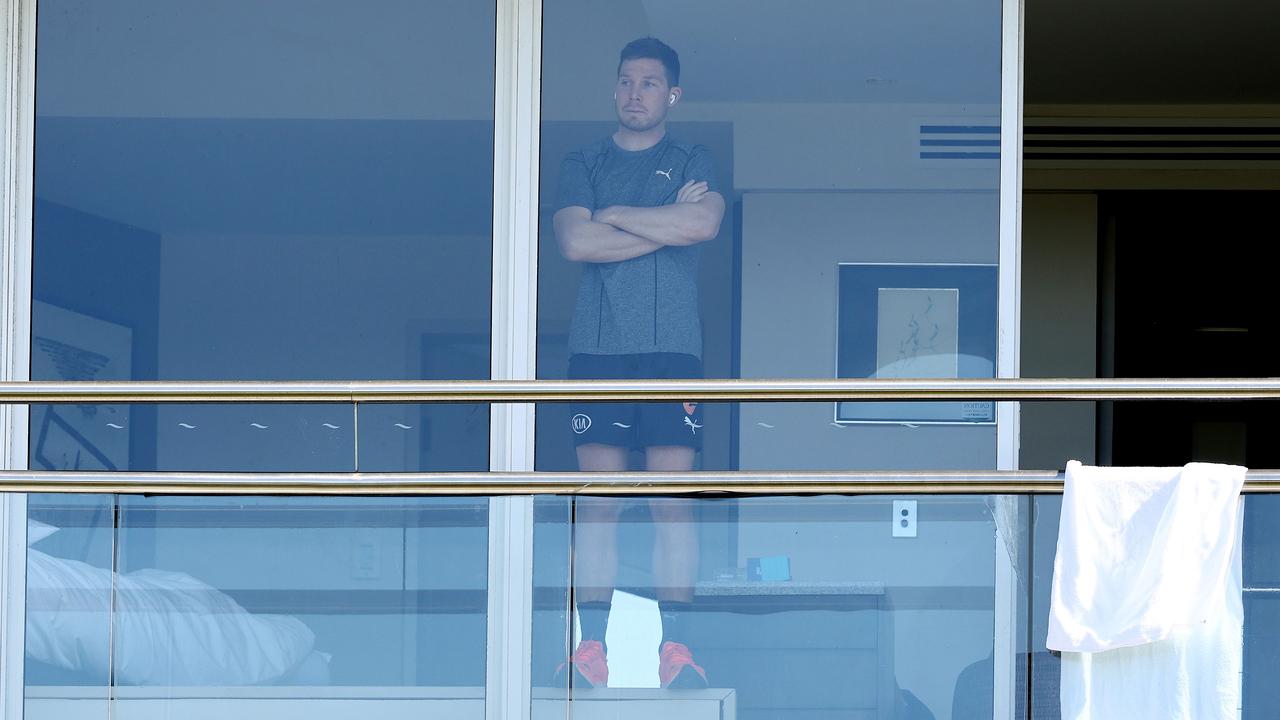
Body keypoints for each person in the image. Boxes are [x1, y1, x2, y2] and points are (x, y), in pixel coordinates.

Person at [552, 36, 725, 690]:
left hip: (672, 352)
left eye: (649, 83)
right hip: (597, 351)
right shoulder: (584, 160)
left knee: (670, 503)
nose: (634, 93)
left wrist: (618, 216)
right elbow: (574, 240)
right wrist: (661, 221)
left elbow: (702, 227)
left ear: (671, 94)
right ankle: (589, 646)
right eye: (626, 81)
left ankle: (674, 647)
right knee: (600, 504)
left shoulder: (691, 156)